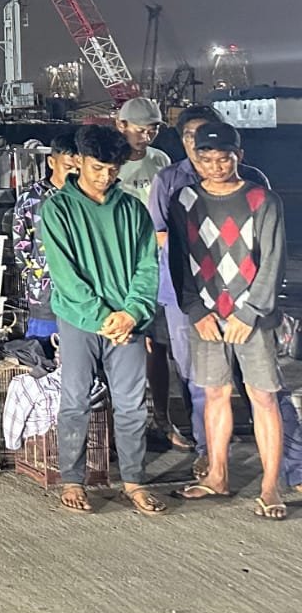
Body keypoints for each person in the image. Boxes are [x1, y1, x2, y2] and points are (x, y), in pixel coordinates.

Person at [149, 106, 302, 489]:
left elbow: (272, 263)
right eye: (207, 159)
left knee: (264, 396)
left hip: (250, 319)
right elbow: (179, 262)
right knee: (213, 394)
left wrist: (248, 313)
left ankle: (270, 487)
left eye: (224, 159)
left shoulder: (262, 200)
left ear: (240, 156)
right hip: (205, 319)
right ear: (195, 159)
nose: (216, 166)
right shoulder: (183, 201)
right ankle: (217, 475)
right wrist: (196, 310)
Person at [39, 124, 164, 515]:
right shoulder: (58, 208)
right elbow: (64, 273)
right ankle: (72, 479)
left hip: (127, 323)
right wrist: (102, 316)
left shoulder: (132, 210)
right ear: (78, 162)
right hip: (80, 321)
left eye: (113, 169)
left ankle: (134, 480)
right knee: (75, 401)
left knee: (131, 404)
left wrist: (131, 313)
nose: (105, 177)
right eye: (97, 168)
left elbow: (148, 267)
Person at [112, 95, 186, 448]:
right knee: (120, 345)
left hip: (155, 265)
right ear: (121, 126)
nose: (148, 135)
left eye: (154, 128)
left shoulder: (162, 162)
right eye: (141, 129)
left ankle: (162, 418)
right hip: (118, 266)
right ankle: (120, 425)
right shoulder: (108, 164)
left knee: (157, 345)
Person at [9, 129, 80, 340]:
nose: (73, 173)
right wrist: (36, 277)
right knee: (41, 352)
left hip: (80, 294)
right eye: (68, 167)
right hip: (44, 293)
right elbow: (21, 246)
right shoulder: (30, 199)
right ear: (52, 163)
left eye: (78, 168)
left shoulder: (86, 199)